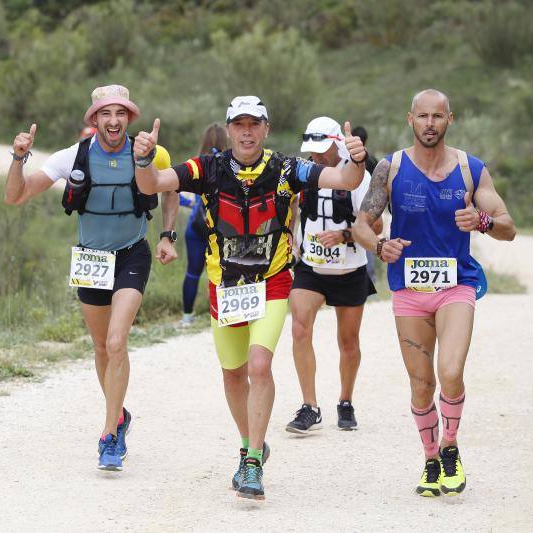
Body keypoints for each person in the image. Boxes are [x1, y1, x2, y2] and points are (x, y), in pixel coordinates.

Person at [133, 95, 368, 500]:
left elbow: (345, 180)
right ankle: (249, 443)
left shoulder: (287, 168)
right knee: (233, 374)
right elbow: (152, 185)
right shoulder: (207, 167)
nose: (246, 131)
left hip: (272, 281)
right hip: (224, 287)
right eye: (238, 124)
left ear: (266, 128)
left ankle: (253, 461)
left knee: (260, 365)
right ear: (228, 129)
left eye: (253, 124)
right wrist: (143, 160)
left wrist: (356, 159)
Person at [4, 84, 179, 471]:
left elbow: (172, 189)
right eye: (105, 114)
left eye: (120, 114)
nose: (113, 121)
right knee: (101, 347)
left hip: (133, 254)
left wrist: (167, 234)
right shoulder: (73, 156)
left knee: (117, 341)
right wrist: (19, 158)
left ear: (129, 119)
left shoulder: (149, 151)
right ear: (95, 119)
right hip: (91, 260)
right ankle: (119, 414)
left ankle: (109, 436)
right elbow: (16, 196)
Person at [352, 89, 515, 497]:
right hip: (409, 291)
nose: (429, 123)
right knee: (422, 383)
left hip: (456, 285)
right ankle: (429, 459)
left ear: (449, 119)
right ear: (410, 119)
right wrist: (378, 246)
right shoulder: (390, 168)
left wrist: (480, 221)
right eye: (422, 116)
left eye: (437, 117)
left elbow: (508, 227)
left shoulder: (470, 169)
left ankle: (450, 447)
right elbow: (360, 224)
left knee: (451, 373)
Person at [286, 116, 382, 435]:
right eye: (311, 151)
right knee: (300, 327)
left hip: (349, 269)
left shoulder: (359, 177)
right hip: (310, 268)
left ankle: (345, 400)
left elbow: (376, 226)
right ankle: (309, 406)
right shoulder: (306, 172)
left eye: (322, 150)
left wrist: (344, 235)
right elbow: (292, 209)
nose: (316, 157)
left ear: (336, 143)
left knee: (348, 341)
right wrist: (289, 236)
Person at [179, 123, 228, 326]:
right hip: (222, 229)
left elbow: (179, 195)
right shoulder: (231, 164)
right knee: (225, 272)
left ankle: (187, 317)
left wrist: (192, 203)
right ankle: (225, 314)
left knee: (192, 273)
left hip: (197, 227)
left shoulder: (196, 164)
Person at [351, 125, 380, 283]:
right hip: (369, 208)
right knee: (367, 239)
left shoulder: (348, 159)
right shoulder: (372, 159)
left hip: (350, 208)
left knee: (357, 236)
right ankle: (370, 278)